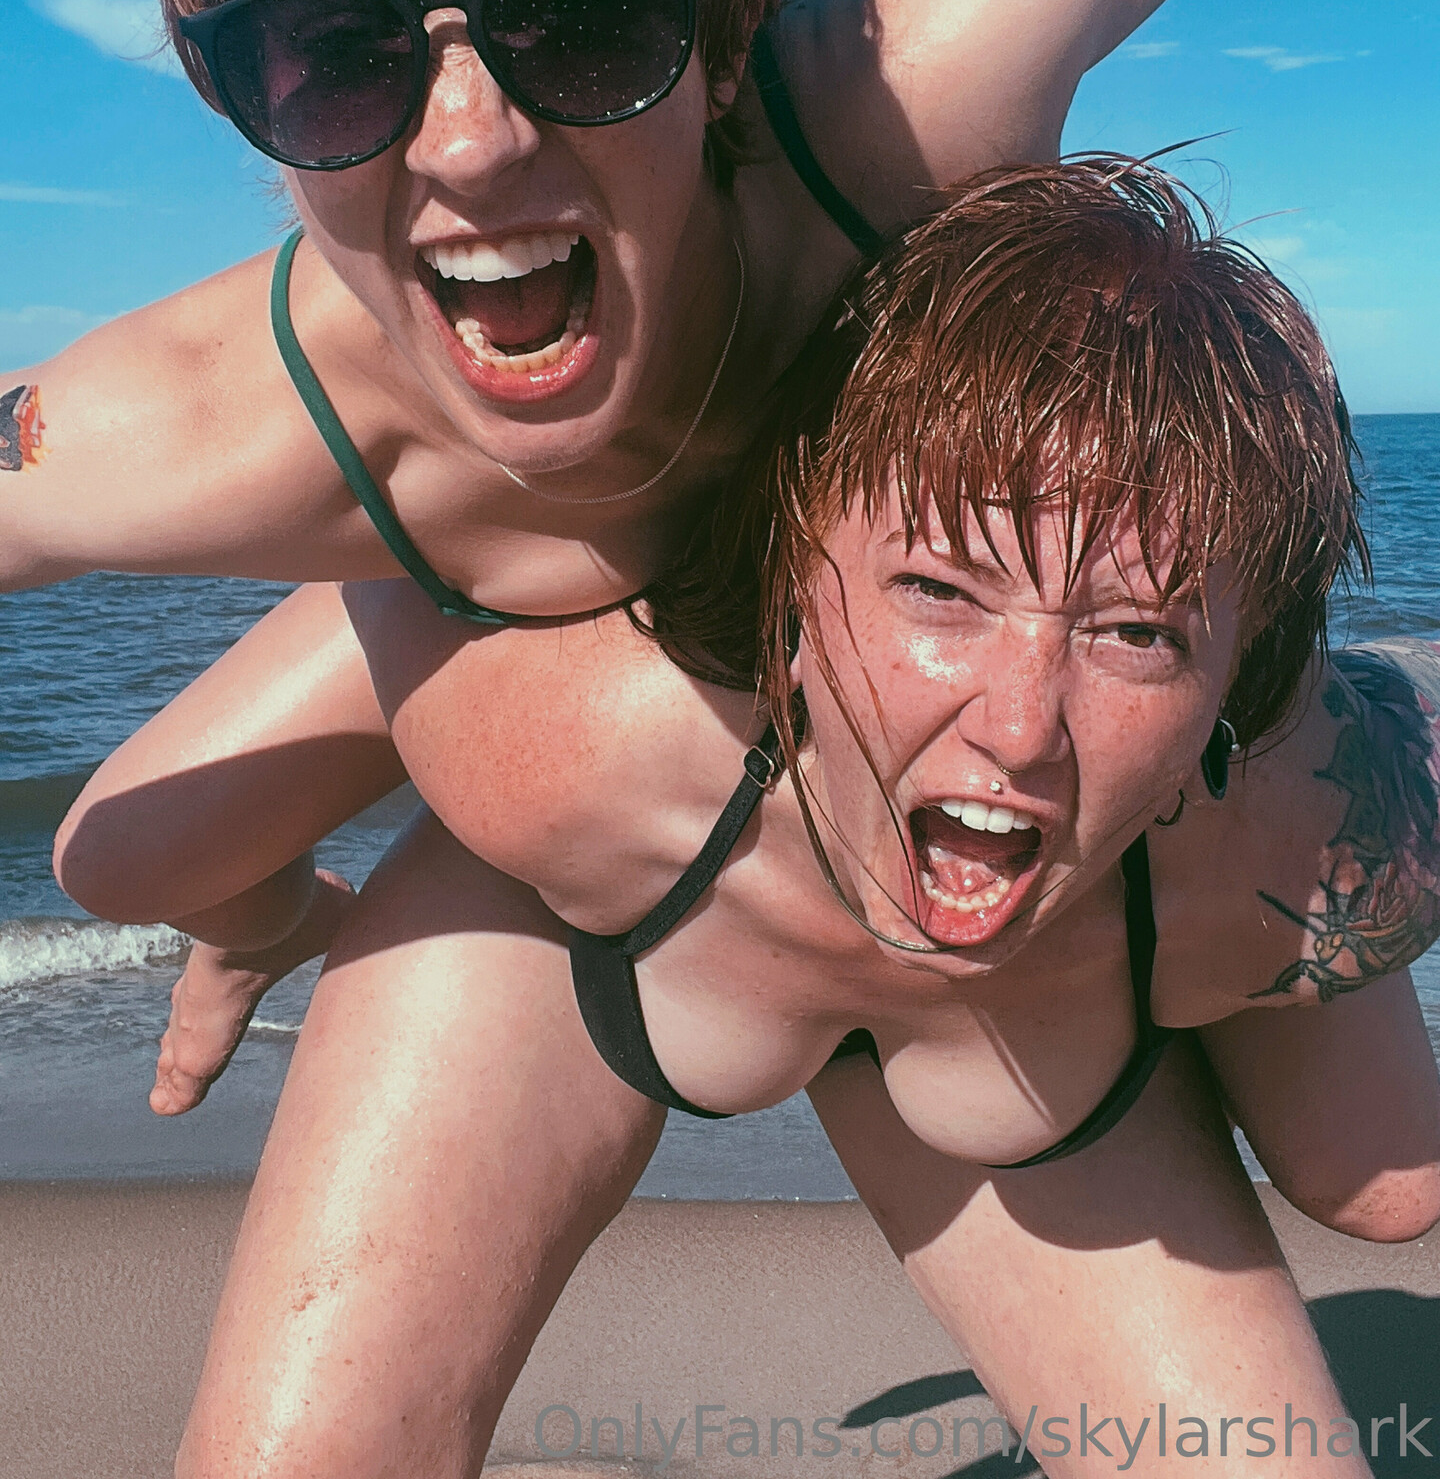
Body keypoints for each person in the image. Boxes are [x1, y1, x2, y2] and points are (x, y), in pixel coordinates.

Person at [60, 163, 1440, 1477]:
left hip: (1092, 945)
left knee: (1386, 1185)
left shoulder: (1305, 854)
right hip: (629, 877)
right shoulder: (573, 750)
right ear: (796, 572)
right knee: (131, 850)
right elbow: (375, 462)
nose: (1023, 729)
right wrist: (267, 903)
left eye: (1139, 633)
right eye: (940, 591)